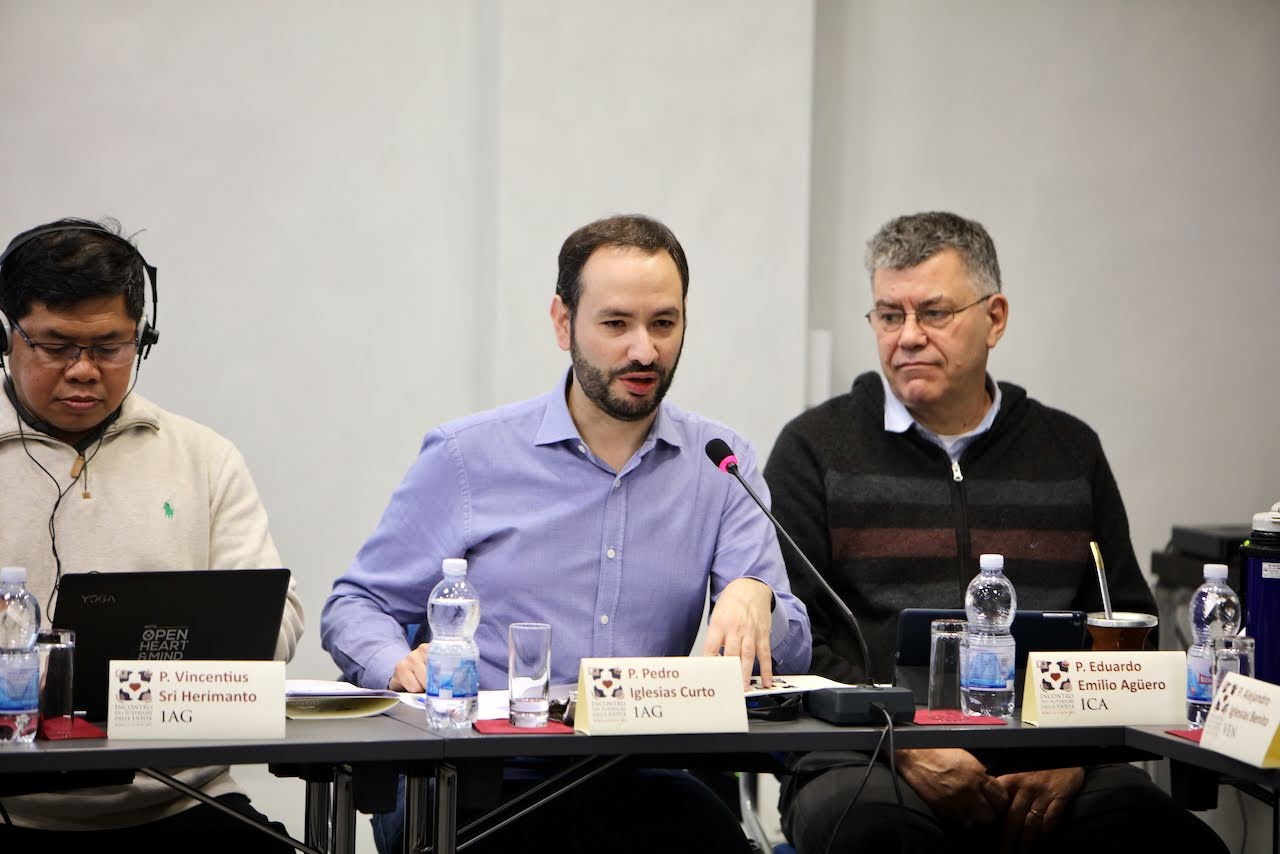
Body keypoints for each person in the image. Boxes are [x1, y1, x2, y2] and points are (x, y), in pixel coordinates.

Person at [322, 213, 811, 853]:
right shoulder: (467, 457)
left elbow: (792, 655)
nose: (645, 351)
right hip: (480, 769)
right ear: (563, 323)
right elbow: (356, 604)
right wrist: (395, 663)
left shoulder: (722, 464)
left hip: (640, 769)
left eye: (664, 323)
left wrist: (757, 596)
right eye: (616, 324)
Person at [765, 211, 1226, 853]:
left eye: (934, 312)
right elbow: (792, 647)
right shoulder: (815, 450)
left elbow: (1125, 633)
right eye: (890, 315)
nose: (909, 337)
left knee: (1166, 839)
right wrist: (906, 744)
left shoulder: (1069, 451)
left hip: (1054, 759)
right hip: (868, 756)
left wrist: (1075, 755)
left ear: (996, 318)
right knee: (877, 836)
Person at [0, 219, 304, 850]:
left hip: (179, 799)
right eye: (56, 346)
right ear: (6, 337)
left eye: (110, 347)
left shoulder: (203, 457)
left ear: (143, 339)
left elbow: (275, 622)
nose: (84, 371)